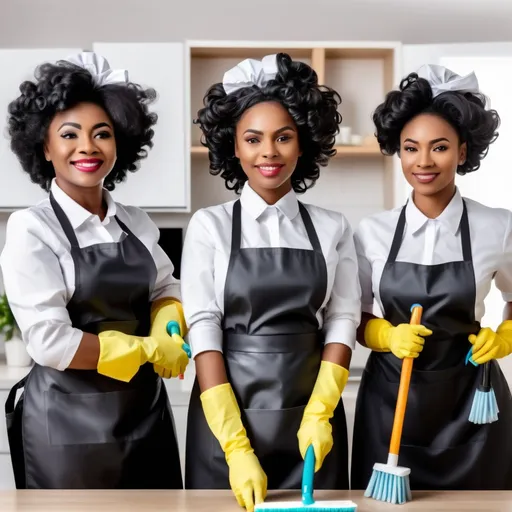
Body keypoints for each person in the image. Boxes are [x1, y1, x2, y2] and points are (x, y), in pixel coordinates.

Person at [181, 53, 361, 511]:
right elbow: (203, 325)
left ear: (303, 144)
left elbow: (342, 318)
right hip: (226, 421)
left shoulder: (332, 226)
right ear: (233, 147)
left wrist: (320, 411)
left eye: (283, 137)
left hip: (311, 419)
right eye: (253, 139)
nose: (269, 152)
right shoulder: (210, 225)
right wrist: (236, 447)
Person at [1, 51, 189, 489]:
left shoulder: (136, 221)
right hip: (66, 427)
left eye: (101, 134)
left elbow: (166, 285)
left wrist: (169, 327)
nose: (87, 147)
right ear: (45, 147)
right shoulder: (31, 228)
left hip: (145, 416)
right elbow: (49, 342)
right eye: (70, 134)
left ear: (119, 144)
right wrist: (146, 350)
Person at [351, 64, 512, 490]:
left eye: (439, 147)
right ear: (397, 152)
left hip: (473, 405)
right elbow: (355, 319)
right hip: (390, 404)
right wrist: (387, 336)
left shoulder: (498, 226)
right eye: (410, 148)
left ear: (462, 151)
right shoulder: (372, 232)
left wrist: (506, 335)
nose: (423, 162)